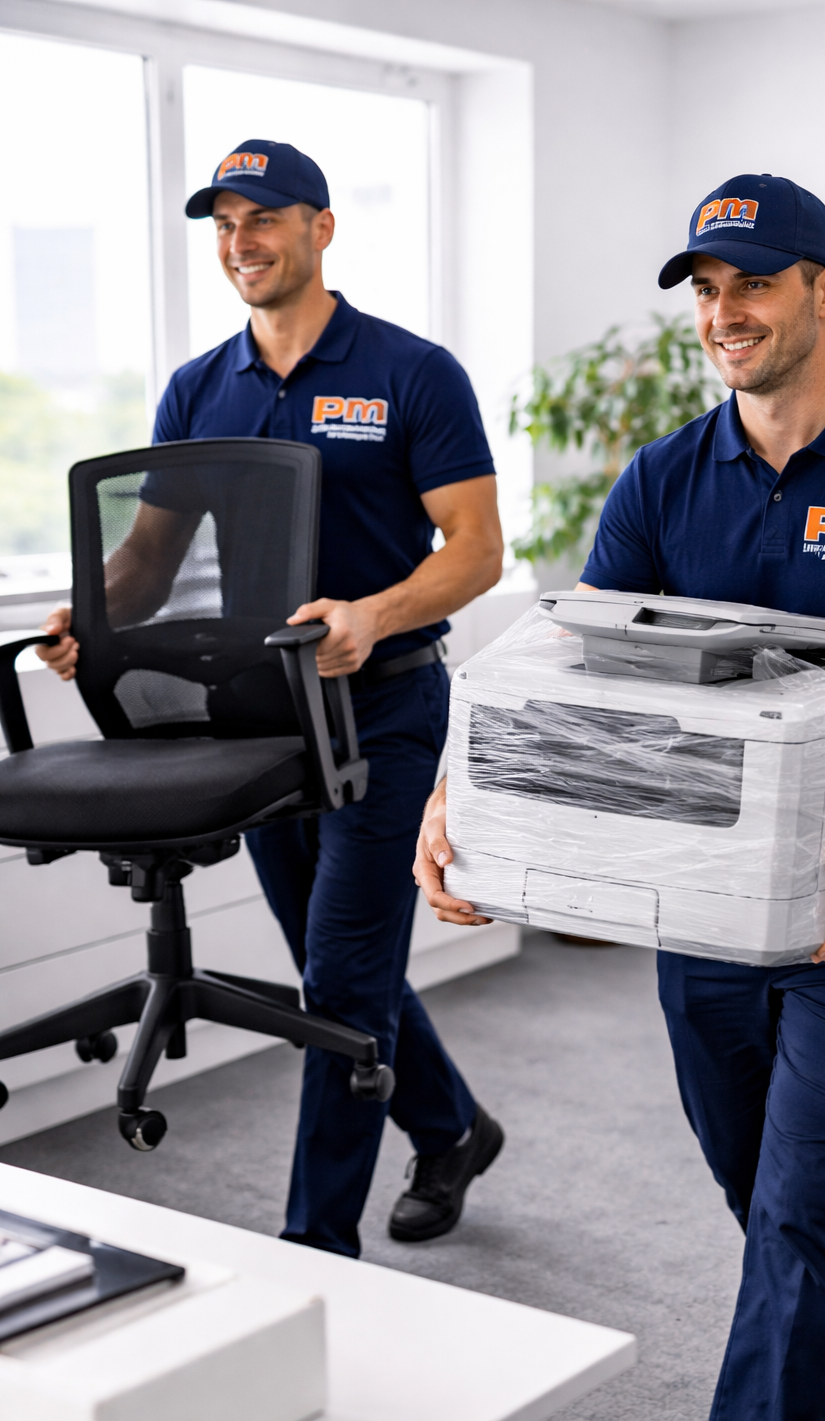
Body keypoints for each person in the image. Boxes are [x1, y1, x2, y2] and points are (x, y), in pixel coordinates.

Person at [412, 174, 825, 1421]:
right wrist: (454, 798)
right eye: (705, 288)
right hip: (703, 894)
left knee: (806, 1199)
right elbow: (566, 669)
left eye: (753, 281)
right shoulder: (666, 478)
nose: (725, 312)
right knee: (752, 1170)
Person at [40, 139, 507, 1260]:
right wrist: (82, 618)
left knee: (343, 973)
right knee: (334, 969)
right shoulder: (201, 387)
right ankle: (449, 1128)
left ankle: (318, 1248)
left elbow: (477, 551)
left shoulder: (410, 372)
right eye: (223, 225)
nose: (241, 243)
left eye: (264, 219)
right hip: (256, 716)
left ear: (321, 228)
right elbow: (146, 565)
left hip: (382, 706)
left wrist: (375, 612)